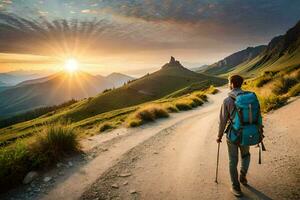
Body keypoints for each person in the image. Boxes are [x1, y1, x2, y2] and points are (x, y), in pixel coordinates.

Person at [217, 75, 250, 197]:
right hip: (247, 133)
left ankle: (236, 187)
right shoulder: (249, 97)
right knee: (246, 155)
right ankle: (243, 175)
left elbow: (223, 121)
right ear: (242, 83)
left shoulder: (227, 100)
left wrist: (219, 135)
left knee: (233, 160)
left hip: (233, 135)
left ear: (231, 83)